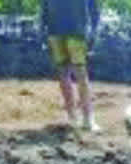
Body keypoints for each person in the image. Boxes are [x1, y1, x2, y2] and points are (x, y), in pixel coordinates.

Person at [39, 0, 101, 132]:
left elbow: (94, 7)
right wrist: (42, 29)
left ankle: (88, 118)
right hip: (54, 31)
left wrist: (94, 31)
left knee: (80, 73)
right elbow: (44, 6)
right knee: (63, 74)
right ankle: (72, 116)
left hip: (76, 31)